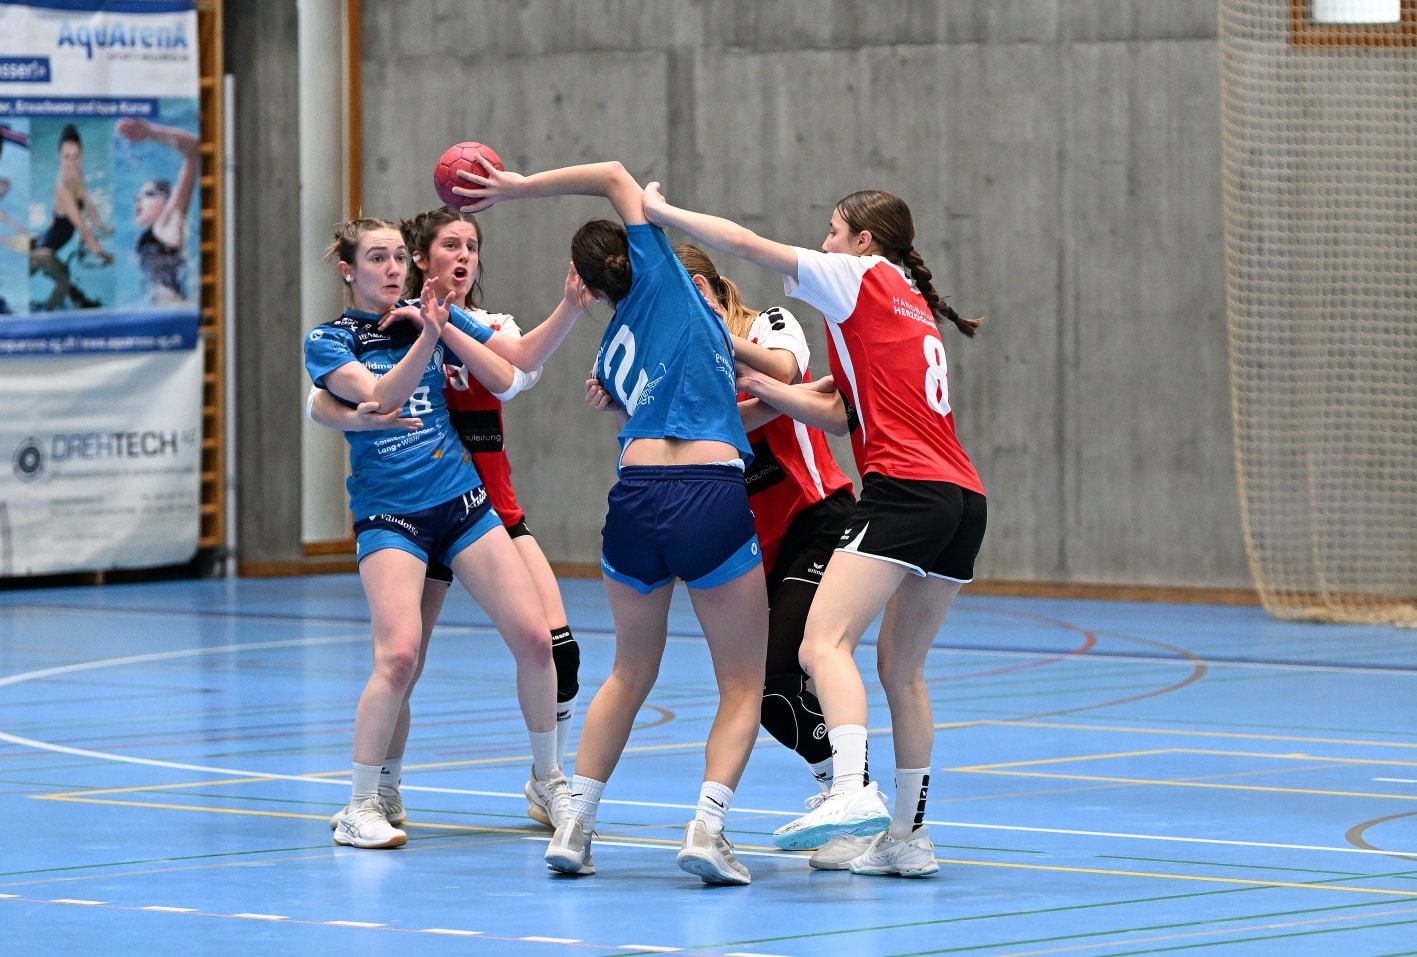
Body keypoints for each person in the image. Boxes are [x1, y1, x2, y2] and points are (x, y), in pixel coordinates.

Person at [643, 184, 987, 878]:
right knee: (901, 670)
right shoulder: (909, 301)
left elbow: (744, 243)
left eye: (832, 230)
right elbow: (840, 415)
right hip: (962, 498)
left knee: (820, 643)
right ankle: (908, 837)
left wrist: (662, 212)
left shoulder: (856, 275)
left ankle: (851, 788)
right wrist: (767, 389)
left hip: (904, 490)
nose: (823, 242)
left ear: (863, 240)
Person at [459, 160, 770, 886]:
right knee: (741, 681)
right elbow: (611, 173)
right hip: (707, 491)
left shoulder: (610, 349)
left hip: (634, 498)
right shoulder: (666, 276)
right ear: (639, 251)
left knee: (629, 671)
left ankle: (576, 824)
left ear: (588, 287)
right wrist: (514, 187)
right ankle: (707, 828)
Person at [303, 217, 583, 849]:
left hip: (462, 500)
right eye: (377, 258)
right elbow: (379, 396)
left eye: (398, 258)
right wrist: (428, 336)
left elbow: (517, 362)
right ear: (348, 270)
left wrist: (568, 305)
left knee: (536, 639)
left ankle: (548, 779)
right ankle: (362, 803)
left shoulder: (429, 314)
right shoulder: (331, 337)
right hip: (390, 514)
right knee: (400, 656)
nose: (392, 269)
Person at [115, 117, 200, 305]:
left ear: (168, 201)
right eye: (137, 197)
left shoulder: (170, 220)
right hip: (163, 306)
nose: (138, 200)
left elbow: (194, 150)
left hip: (173, 305)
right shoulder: (152, 236)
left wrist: (151, 133)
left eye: (148, 194)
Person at [29, 123, 113, 311]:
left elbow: (88, 203)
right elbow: (83, 229)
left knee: (56, 272)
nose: (72, 163)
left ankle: (64, 303)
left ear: (82, 154)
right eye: (66, 157)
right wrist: (106, 257)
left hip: (43, 242)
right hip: (44, 252)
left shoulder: (76, 172)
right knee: (64, 279)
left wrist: (103, 228)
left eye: (76, 156)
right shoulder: (63, 188)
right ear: (59, 156)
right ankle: (46, 314)